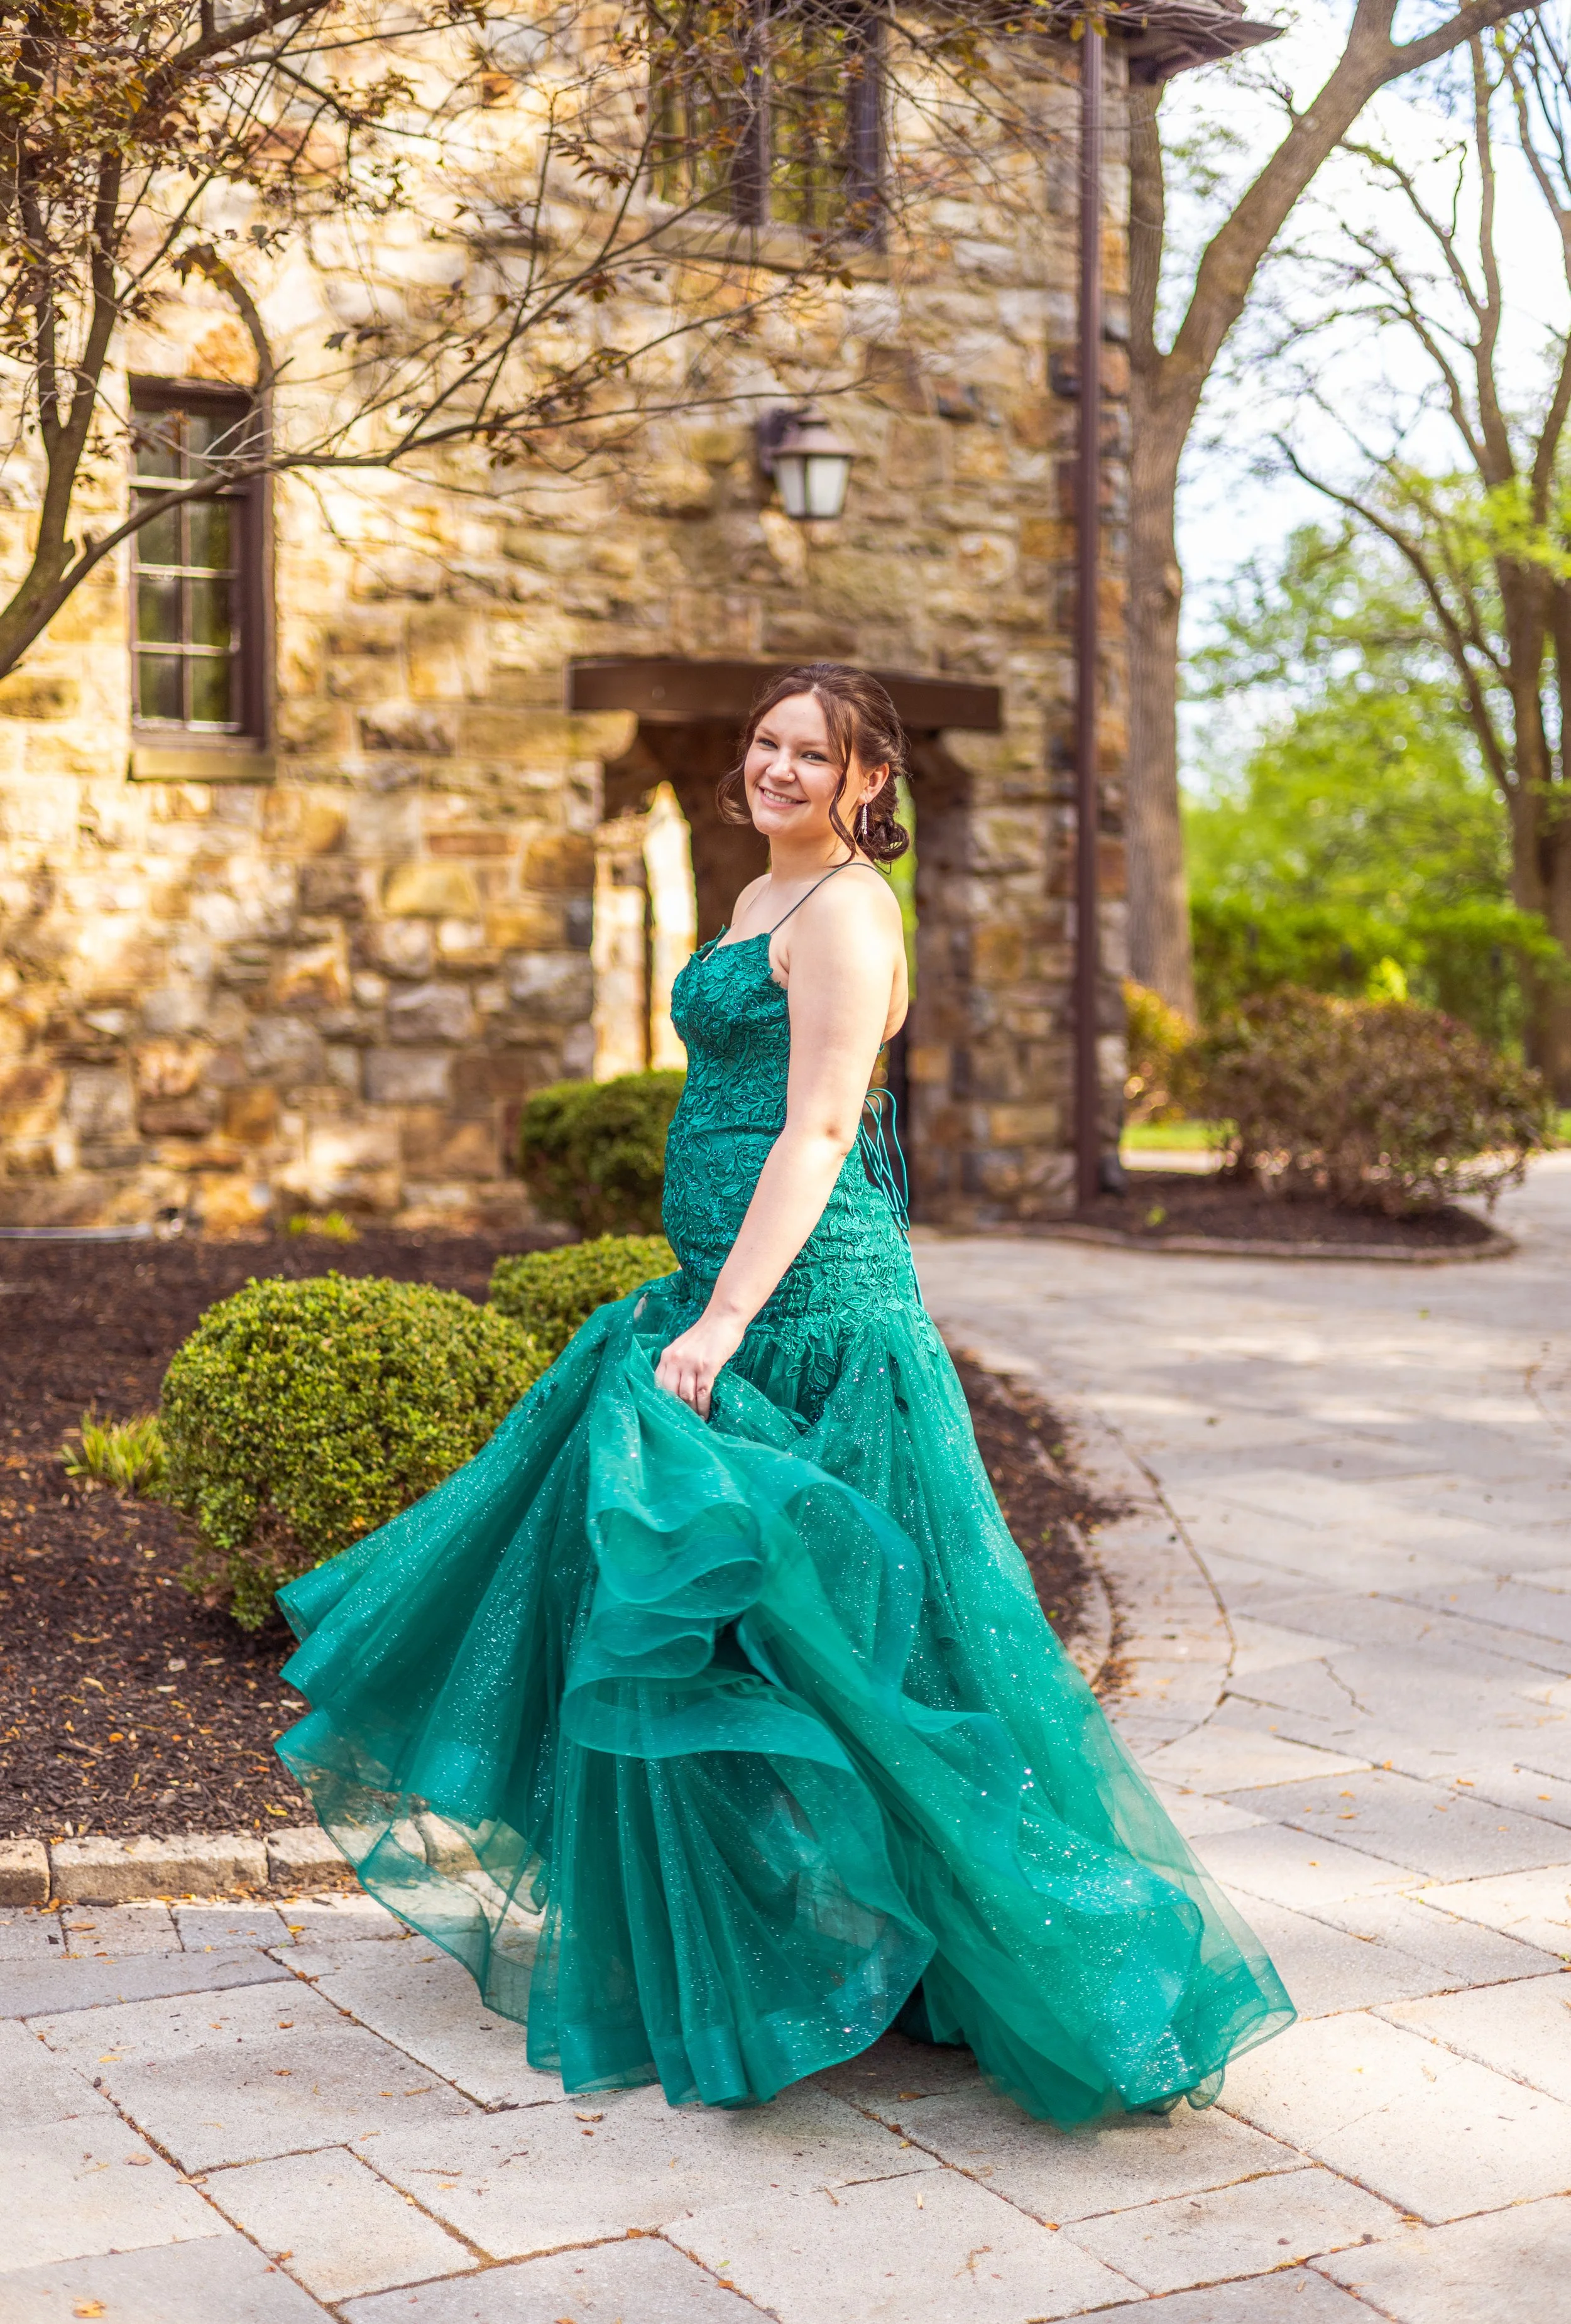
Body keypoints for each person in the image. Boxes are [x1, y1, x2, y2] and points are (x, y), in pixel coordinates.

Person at [276, 662, 1293, 2124]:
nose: (777, 768)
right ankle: (763, 1942)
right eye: (765, 743)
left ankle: (1041, 1959)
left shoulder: (849, 913)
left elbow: (820, 1124)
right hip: (721, 1298)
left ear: (868, 782)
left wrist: (730, 1317)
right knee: (733, 1639)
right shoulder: (759, 900)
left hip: (814, 1320)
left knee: (877, 1655)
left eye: (811, 754)